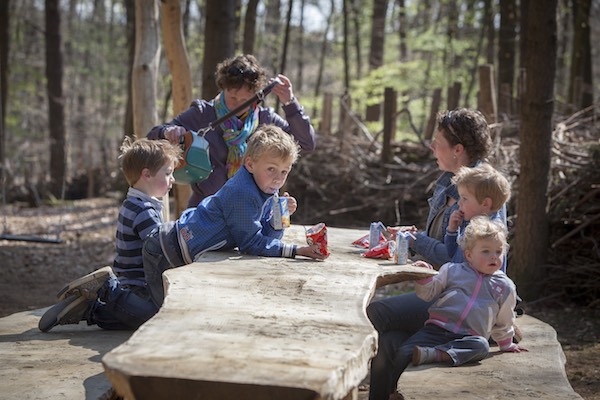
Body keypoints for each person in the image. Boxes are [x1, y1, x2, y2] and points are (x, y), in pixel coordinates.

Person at [367, 108, 510, 397]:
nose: (431, 147)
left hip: (464, 298)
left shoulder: (480, 192)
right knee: (391, 340)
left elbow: (459, 262)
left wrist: (415, 239)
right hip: (447, 288)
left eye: (437, 142)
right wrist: (415, 236)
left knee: (375, 313)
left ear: (458, 150)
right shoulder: (451, 180)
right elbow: (446, 242)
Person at [142, 124, 327, 307]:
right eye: (271, 169)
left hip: (182, 250)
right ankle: (113, 295)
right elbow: (252, 244)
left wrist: (279, 217)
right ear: (250, 164)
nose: (278, 178)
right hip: (165, 250)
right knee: (151, 312)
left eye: (284, 171)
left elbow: (266, 238)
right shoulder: (242, 192)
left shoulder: (267, 189)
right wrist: (297, 251)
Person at [369, 217, 526, 400]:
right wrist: (424, 280)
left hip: (469, 336)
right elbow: (428, 294)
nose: (494, 257)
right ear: (469, 255)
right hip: (436, 329)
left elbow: (505, 319)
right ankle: (392, 392)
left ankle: (438, 354)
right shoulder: (452, 271)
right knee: (405, 352)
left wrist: (506, 343)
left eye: (499, 252)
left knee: (481, 346)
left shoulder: (505, 286)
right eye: (486, 251)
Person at [38, 137, 182, 332]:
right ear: (146, 174)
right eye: (168, 173)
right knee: (152, 317)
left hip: (134, 282)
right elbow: (159, 247)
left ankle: (90, 310)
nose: (172, 179)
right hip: (138, 285)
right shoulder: (144, 211)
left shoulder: (133, 203)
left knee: (132, 321)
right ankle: (106, 287)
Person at [147, 54, 317, 208]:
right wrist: (168, 132)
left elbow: (305, 143)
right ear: (223, 88)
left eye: (245, 99)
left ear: (257, 96)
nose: (237, 104)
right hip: (206, 211)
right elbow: (152, 138)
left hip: (251, 214)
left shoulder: (266, 119)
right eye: (233, 97)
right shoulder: (203, 114)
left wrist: (290, 103)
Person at [444, 163, 510, 263]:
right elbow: (452, 254)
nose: (459, 203)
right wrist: (452, 231)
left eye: (465, 198)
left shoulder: (491, 234)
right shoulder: (473, 226)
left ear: (485, 203)